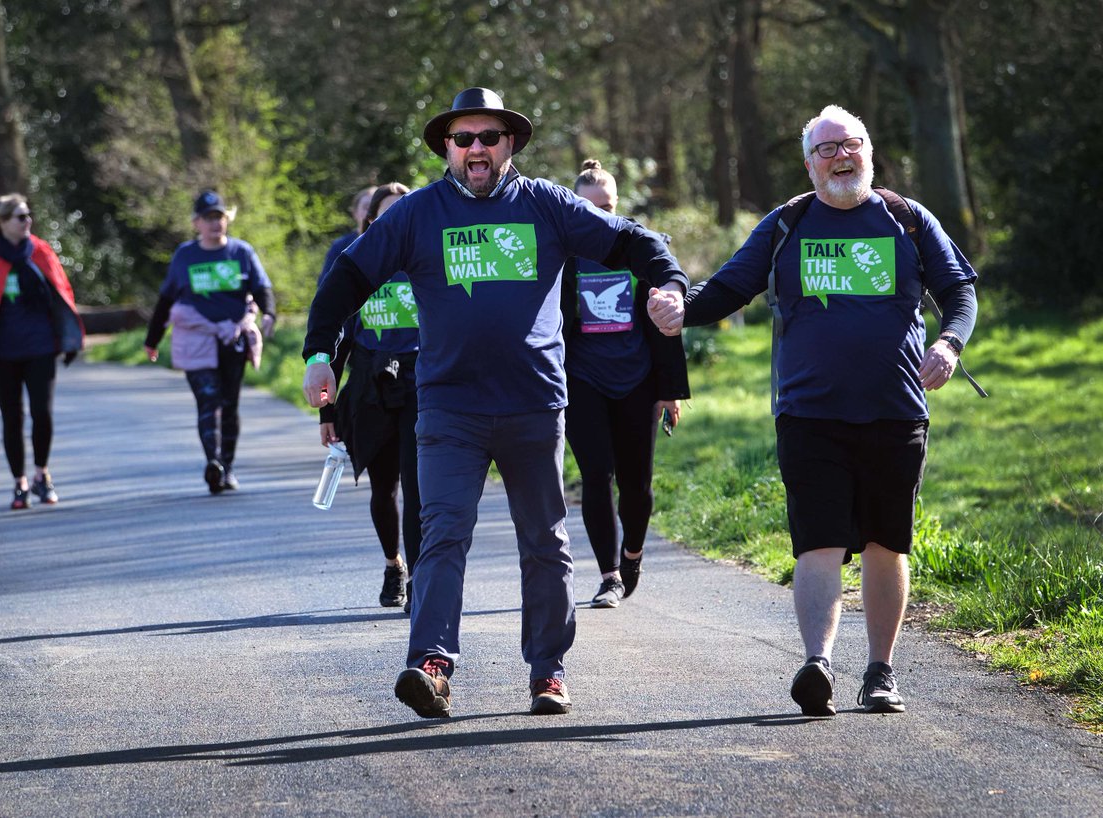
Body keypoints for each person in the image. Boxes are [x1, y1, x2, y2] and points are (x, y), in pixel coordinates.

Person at [302, 87, 689, 719]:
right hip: (449, 408)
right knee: (441, 534)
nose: (476, 149)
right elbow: (346, 277)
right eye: (463, 139)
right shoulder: (416, 215)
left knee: (544, 541)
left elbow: (633, 241)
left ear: (510, 143)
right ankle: (431, 663)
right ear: (447, 149)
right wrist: (319, 353)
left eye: (489, 137)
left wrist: (671, 284)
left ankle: (548, 672)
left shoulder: (547, 205)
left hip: (533, 404)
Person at [648, 104, 978, 716]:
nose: (840, 157)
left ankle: (880, 672)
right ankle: (818, 664)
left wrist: (948, 343)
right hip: (808, 414)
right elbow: (727, 289)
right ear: (808, 165)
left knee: (886, 543)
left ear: (868, 153)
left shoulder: (906, 219)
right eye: (826, 150)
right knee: (818, 542)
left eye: (850, 144)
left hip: (896, 410)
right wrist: (680, 309)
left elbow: (959, 290)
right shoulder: (786, 224)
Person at [561, 159, 690, 608]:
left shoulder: (641, 247)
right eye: (589, 207)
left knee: (637, 484)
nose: (599, 214)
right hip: (582, 379)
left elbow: (667, 323)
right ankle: (609, 576)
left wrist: (669, 389)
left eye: (608, 205)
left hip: (637, 378)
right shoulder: (563, 254)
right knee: (596, 475)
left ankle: (632, 553)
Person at [318, 182, 421, 611]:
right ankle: (392, 563)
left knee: (419, 488)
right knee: (384, 487)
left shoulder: (425, 260)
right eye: (386, 215)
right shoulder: (359, 264)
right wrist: (327, 409)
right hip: (370, 388)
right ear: (371, 220)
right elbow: (335, 336)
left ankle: (419, 578)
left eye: (404, 213)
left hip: (421, 383)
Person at [144, 190, 276, 495]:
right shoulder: (185, 256)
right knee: (208, 401)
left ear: (226, 220)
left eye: (220, 217)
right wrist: (152, 339)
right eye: (208, 218)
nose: (215, 223)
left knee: (229, 405)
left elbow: (262, 287)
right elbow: (166, 299)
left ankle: (226, 467)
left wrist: (268, 313)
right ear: (196, 223)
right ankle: (213, 463)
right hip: (197, 341)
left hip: (232, 339)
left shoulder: (241, 252)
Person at [0, 194, 84, 510]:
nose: (27, 220)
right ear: (1, 222)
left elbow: (64, 292)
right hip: (2, 351)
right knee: (11, 418)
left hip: (40, 346)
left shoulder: (42, 252)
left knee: (42, 413)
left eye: (28, 214)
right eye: (20, 216)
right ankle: (19, 482)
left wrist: (70, 338)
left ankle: (41, 475)